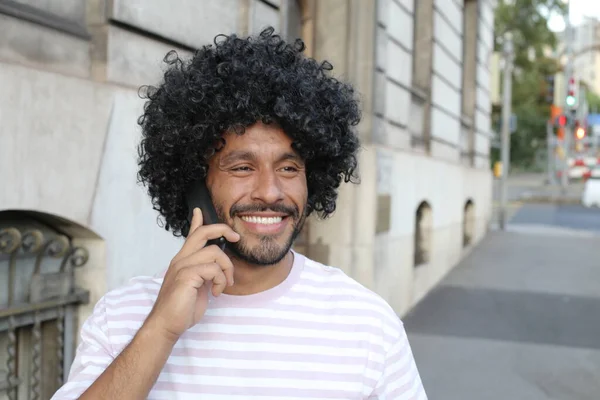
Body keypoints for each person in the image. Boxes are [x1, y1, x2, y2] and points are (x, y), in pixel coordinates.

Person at [52, 27, 427, 400]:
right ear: (195, 183)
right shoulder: (122, 316)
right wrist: (162, 329)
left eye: (289, 168)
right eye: (242, 167)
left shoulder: (368, 325)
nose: (270, 192)